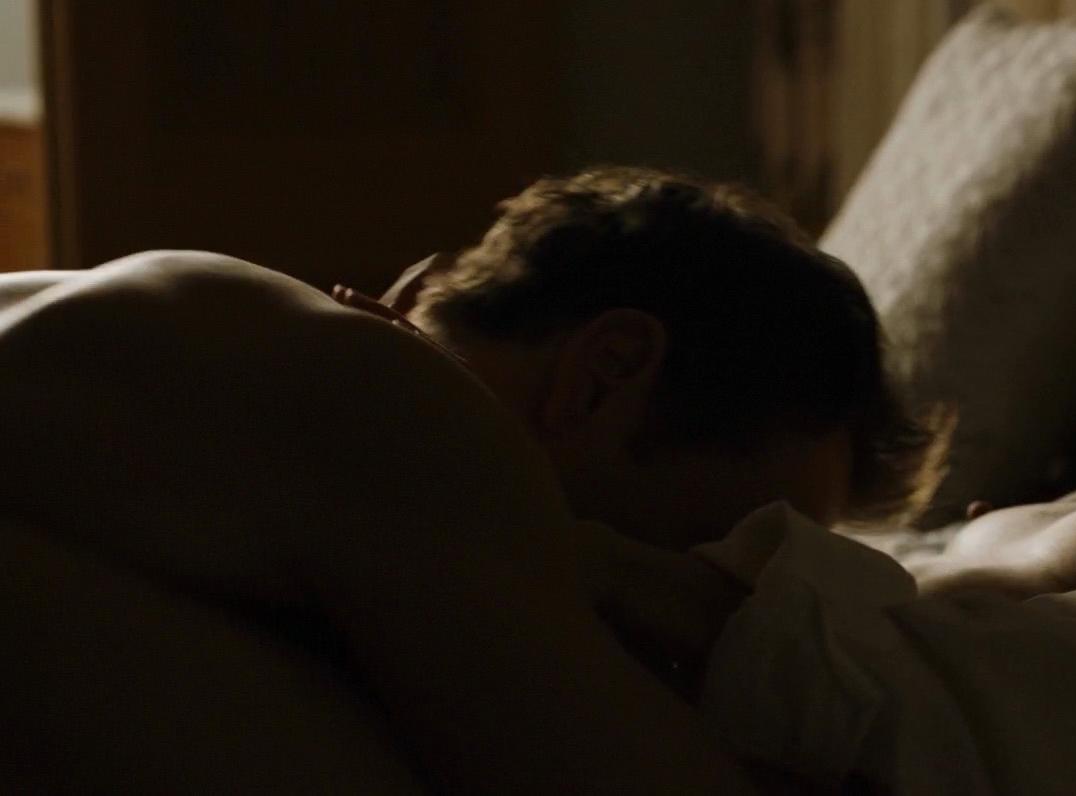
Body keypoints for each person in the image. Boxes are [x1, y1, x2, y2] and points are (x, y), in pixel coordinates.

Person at [0, 56, 1076, 793]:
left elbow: (971, 716)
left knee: (271, 366)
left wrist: (565, 557)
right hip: (598, 669)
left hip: (719, 737)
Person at [0, 167, 939, 793]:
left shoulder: (236, 352)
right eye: (721, 550)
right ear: (603, 375)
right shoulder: (393, 416)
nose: (699, 628)